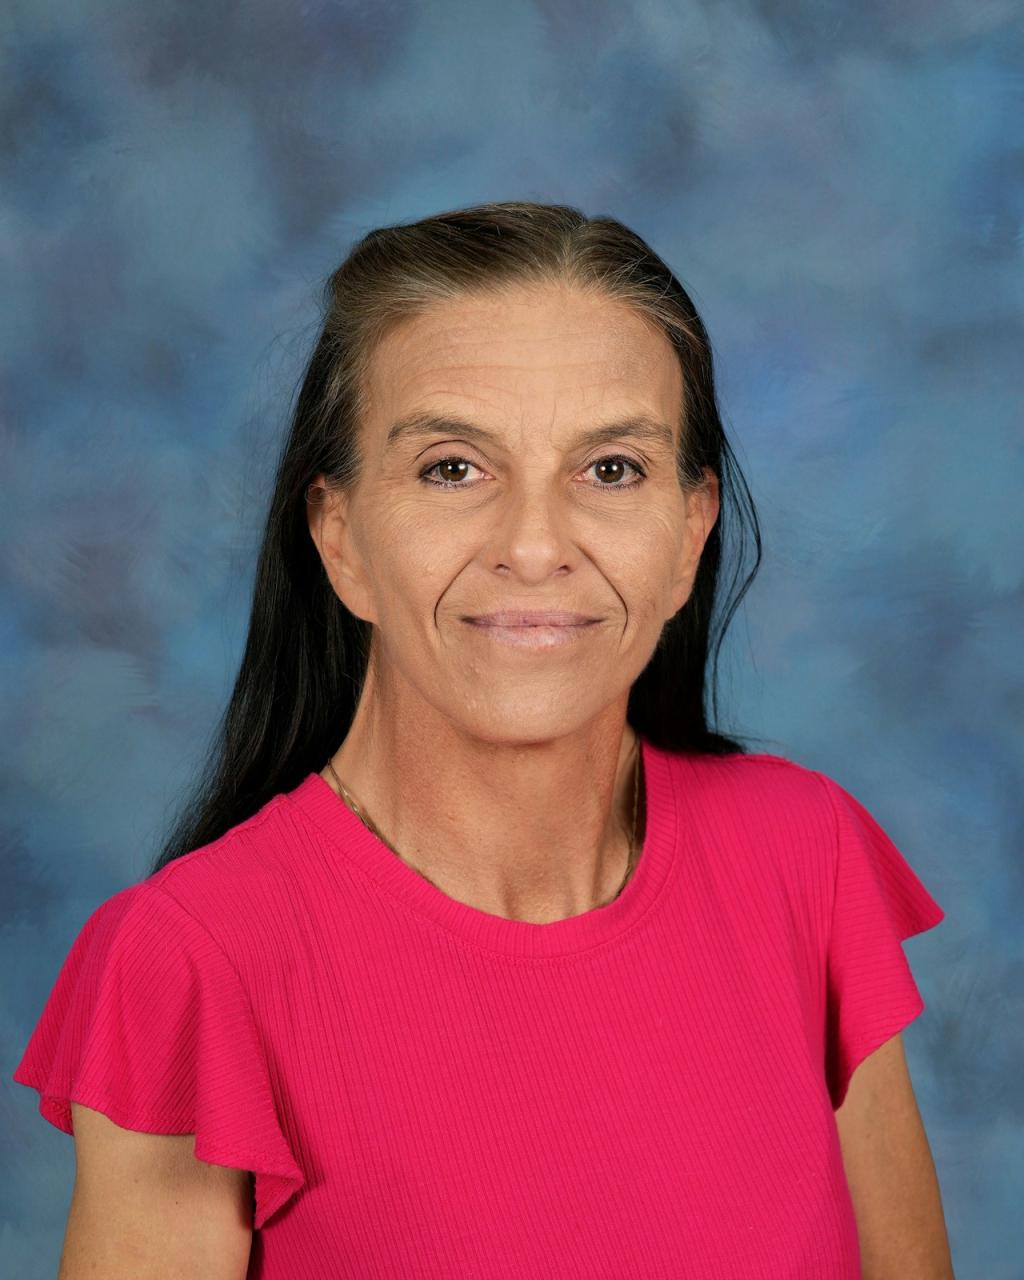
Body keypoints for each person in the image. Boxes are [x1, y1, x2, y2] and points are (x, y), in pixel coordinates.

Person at [12, 201, 954, 1278]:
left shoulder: (806, 855)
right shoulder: (191, 962)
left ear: (689, 534)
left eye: (611, 469)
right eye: (453, 466)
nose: (536, 544)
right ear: (340, 536)